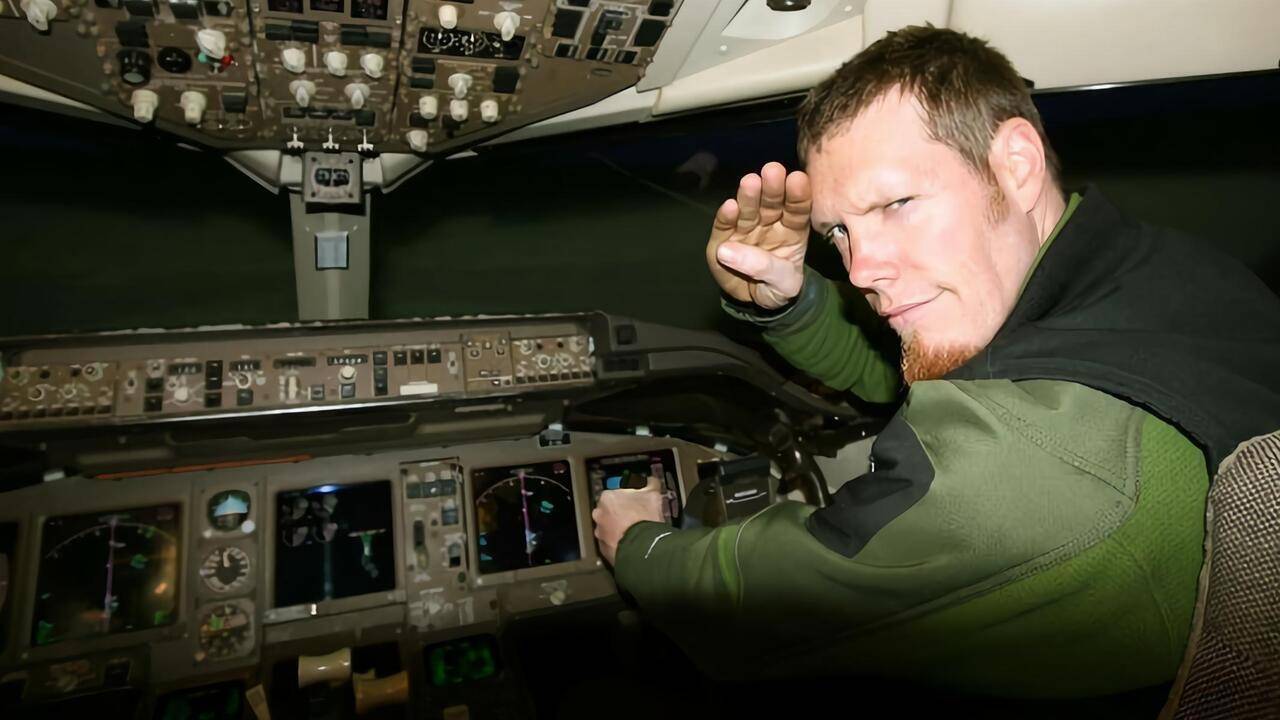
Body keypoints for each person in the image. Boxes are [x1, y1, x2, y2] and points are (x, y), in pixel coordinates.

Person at [591, 25, 1280, 698]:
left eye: (897, 203)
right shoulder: (1167, 269)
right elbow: (922, 369)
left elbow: (749, 608)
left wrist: (638, 543)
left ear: (1015, 164)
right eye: (840, 230)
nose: (861, 270)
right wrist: (791, 303)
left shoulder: (1030, 465)